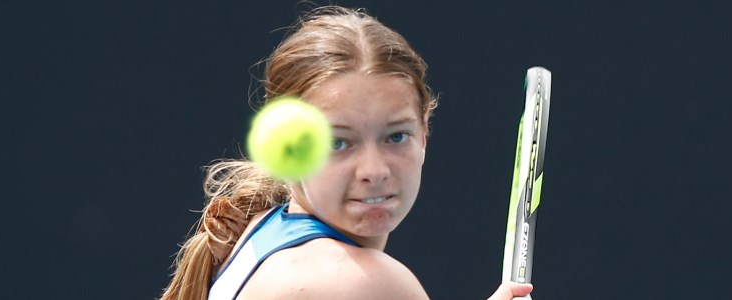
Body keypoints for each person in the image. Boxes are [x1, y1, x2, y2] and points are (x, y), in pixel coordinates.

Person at [160, 6, 534, 300]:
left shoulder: (261, 231)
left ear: (425, 133)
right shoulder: (361, 282)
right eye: (337, 143)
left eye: (396, 136)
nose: (374, 169)